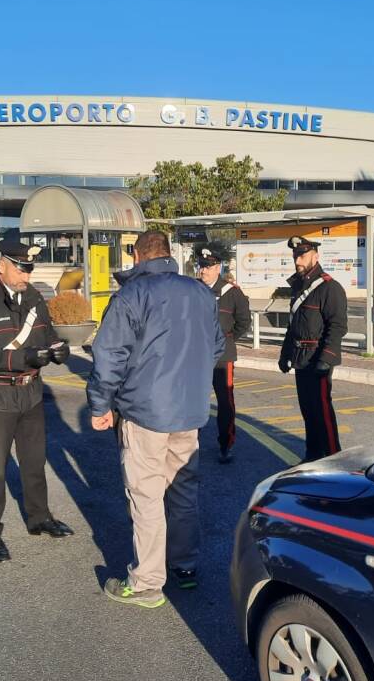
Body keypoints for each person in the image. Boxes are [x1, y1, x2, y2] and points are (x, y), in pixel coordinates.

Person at [87, 230, 224, 608]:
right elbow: (216, 347)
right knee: (182, 489)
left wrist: (100, 406)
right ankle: (185, 565)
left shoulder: (131, 295)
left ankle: (147, 581)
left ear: (136, 254)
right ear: (168, 254)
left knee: (146, 495)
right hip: (189, 412)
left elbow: (109, 356)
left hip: (146, 412)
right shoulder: (200, 293)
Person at [0, 239, 73, 563]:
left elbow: (46, 333)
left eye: (29, 269)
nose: (27, 274)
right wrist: (24, 357)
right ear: (2, 265)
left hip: (31, 393)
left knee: (35, 461)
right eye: (21, 268)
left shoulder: (35, 296)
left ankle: (39, 518)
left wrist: (58, 348)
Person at [277, 236, 348, 462]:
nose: (297, 260)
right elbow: (294, 324)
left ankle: (333, 457)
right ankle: (313, 454)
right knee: (308, 409)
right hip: (300, 357)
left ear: (315, 256)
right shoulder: (299, 286)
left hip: (317, 357)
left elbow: (337, 326)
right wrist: (285, 354)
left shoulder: (329, 287)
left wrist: (326, 358)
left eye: (302, 255)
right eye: (295, 256)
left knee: (322, 411)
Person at [193, 242, 252, 464]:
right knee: (194, 399)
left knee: (225, 401)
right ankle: (191, 444)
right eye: (201, 265)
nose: (203, 270)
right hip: (196, 355)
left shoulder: (232, 293)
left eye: (208, 266)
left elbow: (243, 322)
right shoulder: (193, 288)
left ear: (218, 267)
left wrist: (227, 341)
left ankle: (226, 444)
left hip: (222, 357)